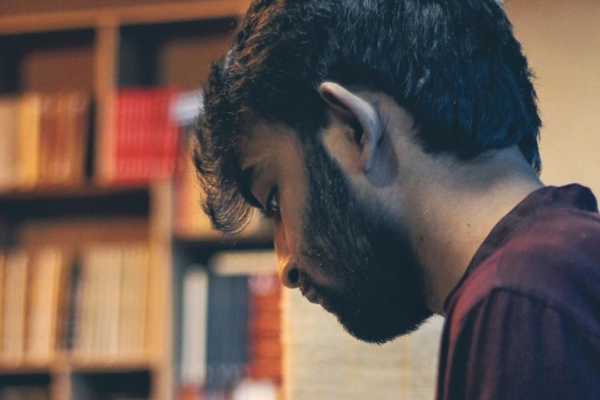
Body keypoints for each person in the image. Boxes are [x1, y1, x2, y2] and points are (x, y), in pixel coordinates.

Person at [194, 0, 600, 398]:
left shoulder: (519, 303)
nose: (286, 265)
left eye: (274, 201)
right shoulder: (559, 275)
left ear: (356, 130)